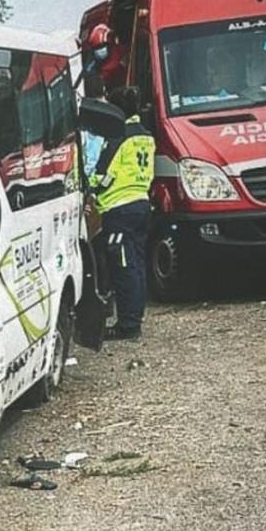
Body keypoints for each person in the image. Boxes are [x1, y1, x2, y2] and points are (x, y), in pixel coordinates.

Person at [90, 86, 154, 341]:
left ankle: (127, 326)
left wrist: (90, 186)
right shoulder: (145, 135)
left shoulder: (118, 137)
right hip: (141, 203)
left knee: (123, 267)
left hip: (119, 208)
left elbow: (104, 174)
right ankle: (134, 319)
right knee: (137, 265)